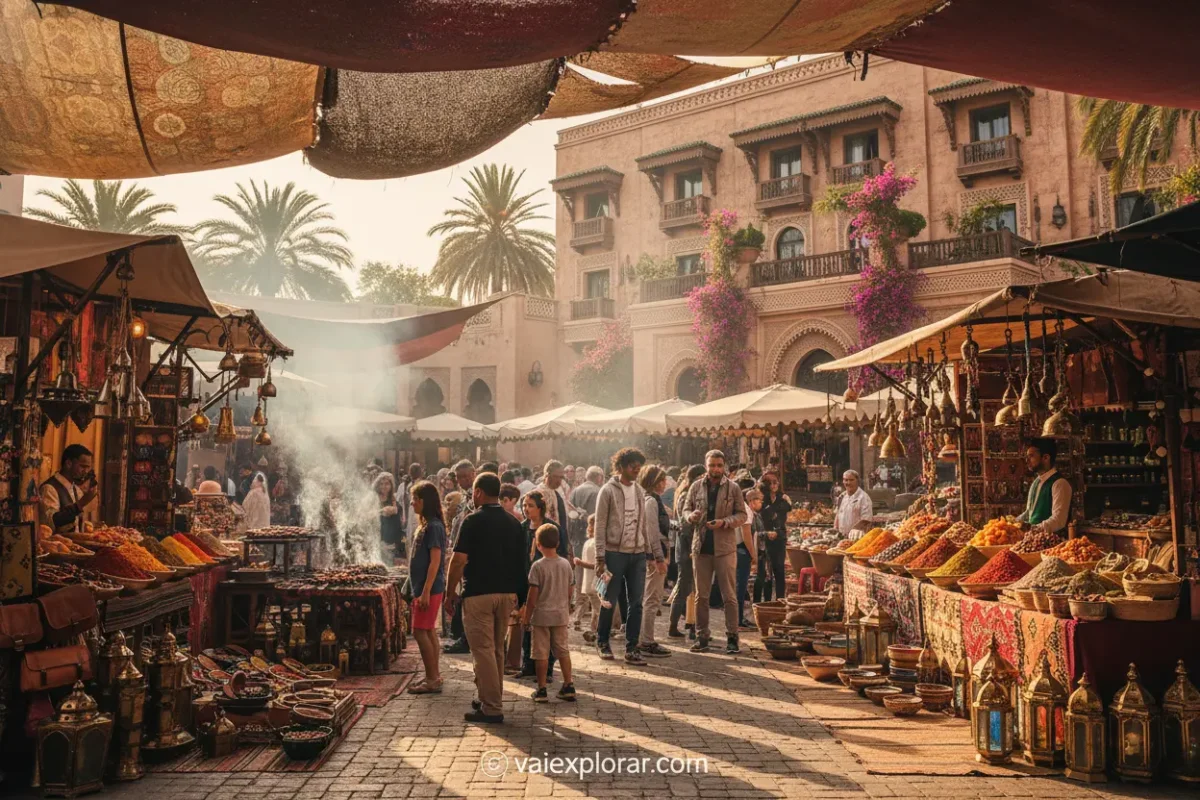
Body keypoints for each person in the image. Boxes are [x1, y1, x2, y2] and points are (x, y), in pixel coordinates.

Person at [444, 473, 528, 723]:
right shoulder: (514, 522)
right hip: (507, 594)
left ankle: (492, 707)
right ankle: (489, 698)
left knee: (482, 651)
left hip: (479, 593)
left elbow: (458, 560)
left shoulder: (472, 521)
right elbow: (522, 563)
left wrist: (450, 592)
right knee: (495, 650)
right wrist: (520, 597)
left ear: (479, 492)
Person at [593, 447, 658, 666]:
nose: (636, 471)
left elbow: (644, 525)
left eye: (639, 467)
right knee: (609, 601)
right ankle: (602, 642)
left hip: (637, 554)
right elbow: (600, 525)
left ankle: (632, 648)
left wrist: (648, 553)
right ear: (621, 467)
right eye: (633, 467)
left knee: (636, 603)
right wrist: (600, 558)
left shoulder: (639, 491)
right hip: (613, 554)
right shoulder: (608, 491)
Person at [682, 449, 748, 655]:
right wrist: (691, 516)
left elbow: (742, 515)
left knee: (729, 595)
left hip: (725, 548)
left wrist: (724, 522)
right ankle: (702, 636)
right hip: (701, 547)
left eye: (719, 465)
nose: (716, 469)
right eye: (712, 465)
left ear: (724, 466)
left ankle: (732, 637)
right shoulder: (696, 486)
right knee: (701, 596)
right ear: (706, 465)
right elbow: (684, 510)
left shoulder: (733, 488)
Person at [523, 524, 577, 703]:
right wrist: (566, 606)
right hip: (560, 615)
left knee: (541, 653)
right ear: (558, 542)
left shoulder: (537, 567)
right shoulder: (566, 565)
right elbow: (570, 591)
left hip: (541, 616)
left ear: (538, 544)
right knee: (562, 650)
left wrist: (526, 617)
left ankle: (542, 688)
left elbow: (532, 597)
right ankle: (568, 684)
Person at [518, 491, 566, 680]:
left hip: (547, 582)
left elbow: (561, 554)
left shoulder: (551, 528)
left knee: (547, 628)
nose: (526, 509)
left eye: (530, 505)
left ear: (540, 507)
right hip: (527, 581)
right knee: (527, 622)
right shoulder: (522, 528)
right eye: (524, 505)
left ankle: (547, 668)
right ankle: (528, 664)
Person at [406, 480, 446, 694]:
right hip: (424, 587)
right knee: (428, 630)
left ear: (422, 501)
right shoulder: (428, 525)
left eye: (414, 500)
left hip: (428, 588)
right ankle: (434, 675)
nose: (412, 504)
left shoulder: (434, 527)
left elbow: (435, 561)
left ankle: (432, 679)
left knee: (420, 631)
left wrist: (425, 591)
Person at [637, 464, 671, 658]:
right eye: (661, 480)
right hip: (653, 556)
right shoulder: (650, 501)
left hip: (655, 554)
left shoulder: (653, 500)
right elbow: (651, 532)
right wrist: (657, 558)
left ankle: (645, 638)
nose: (664, 484)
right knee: (652, 599)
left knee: (651, 598)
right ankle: (646, 640)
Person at [443, 459, 477, 654]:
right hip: (460, 547)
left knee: (465, 596)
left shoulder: (475, 496)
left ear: (473, 474)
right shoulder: (464, 497)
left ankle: (465, 638)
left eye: (466, 476)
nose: (463, 480)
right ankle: (462, 635)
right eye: (459, 477)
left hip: (468, 553)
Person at [669, 465, 705, 639]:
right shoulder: (685, 495)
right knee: (684, 587)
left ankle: (692, 626)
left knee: (692, 589)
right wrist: (692, 548)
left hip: (689, 548)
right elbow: (685, 526)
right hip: (686, 548)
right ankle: (673, 626)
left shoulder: (689, 493)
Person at [1017, 438, 1072, 535]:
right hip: (1033, 539)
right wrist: (1012, 524)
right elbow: (1029, 512)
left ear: (1046, 457)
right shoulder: (1036, 482)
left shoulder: (1060, 483)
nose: (1027, 460)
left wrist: (1033, 530)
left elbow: (1059, 520)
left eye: (1031, 456)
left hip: (1053, 544)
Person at [40, 444, 98, 534]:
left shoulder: (75, 489)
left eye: (88, 468)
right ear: (68, 464)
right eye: (83, 466)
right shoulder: (49, 488)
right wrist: (81, 503)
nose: (86, 471)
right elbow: (50, 523)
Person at [755, 474, 791, 602]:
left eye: (776, 482)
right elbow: (763, 515)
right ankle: (767, 601)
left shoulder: (782, 498)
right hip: (765, 537)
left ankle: (780, 599)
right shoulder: (762, 501)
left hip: (779, 537)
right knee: (765, 572)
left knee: (779, 569)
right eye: (770, 483)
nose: (774, 485)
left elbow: (785, 511)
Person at [738, 489, 762, 629]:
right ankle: (739, 619)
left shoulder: (743, 508)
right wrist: (753, 554)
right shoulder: (746, 511)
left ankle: (739, 618)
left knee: (740, 586)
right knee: (740, 586)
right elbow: (746, 534)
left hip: (739, 550)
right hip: (742, 551)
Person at [373, 472, 405, 564]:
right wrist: (381, 511)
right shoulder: (374, 498)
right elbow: (368, 514)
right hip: (380, 539)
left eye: (387, 483)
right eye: (381, 484)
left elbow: (397, 511)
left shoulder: (393, 499)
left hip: (394, 540)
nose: (384, 486)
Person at [834, 470, 874, 536]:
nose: (848, 483)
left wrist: (853, 531)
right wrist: (835, 530)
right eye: (846, 480)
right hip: (842, 537)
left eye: (851, 480)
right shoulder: (842, 497)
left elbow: (866, 520)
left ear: (857, 481)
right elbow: (838, 514)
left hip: (857, 538)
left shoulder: (864, 498)